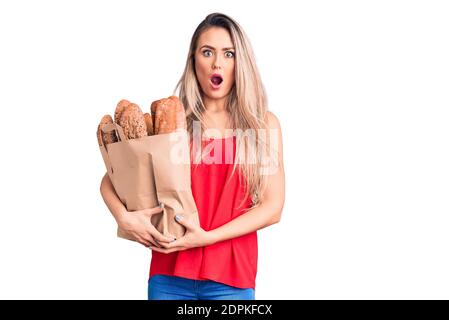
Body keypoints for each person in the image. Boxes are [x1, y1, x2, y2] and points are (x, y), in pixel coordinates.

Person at [100, 12, 285, 300]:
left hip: (231, 279)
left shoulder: (262, 125)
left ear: (241, 62)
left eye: (229, 53)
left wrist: (208, 238)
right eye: (207, 52)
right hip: (169, 274)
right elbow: (112, 179)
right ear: (193, 60)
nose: (217, 63)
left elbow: (273, 208)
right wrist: (124, 218)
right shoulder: (173, 121)